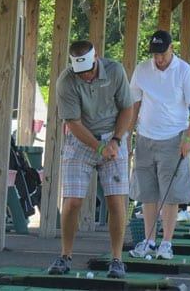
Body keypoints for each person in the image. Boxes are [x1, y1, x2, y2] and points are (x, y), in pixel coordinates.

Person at [49, 40, 134, 278]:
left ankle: (117, 259)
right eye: (80, 72)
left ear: (96, 56)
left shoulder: (115, 71)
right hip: (82, 141)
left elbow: (127, 108)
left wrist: (116, 141)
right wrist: (99, 148)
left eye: (88, 70)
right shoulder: (66, 81)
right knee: (73, 201)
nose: (85, 76)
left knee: (116, 201)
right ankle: (65, 255)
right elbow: (73, 124)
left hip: (113, 137)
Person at [127, 30, 190, 260]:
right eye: (155, 54)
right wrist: (127, 136)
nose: (158, 58)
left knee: (170, 194)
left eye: (162, 53)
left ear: (171, 48)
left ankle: (166, 243)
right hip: (145, 137)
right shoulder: (142, 69)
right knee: (148, 193)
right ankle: (149, 240)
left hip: (174, 138)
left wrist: (188, 137)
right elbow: (135, 105)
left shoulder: (184, 71)